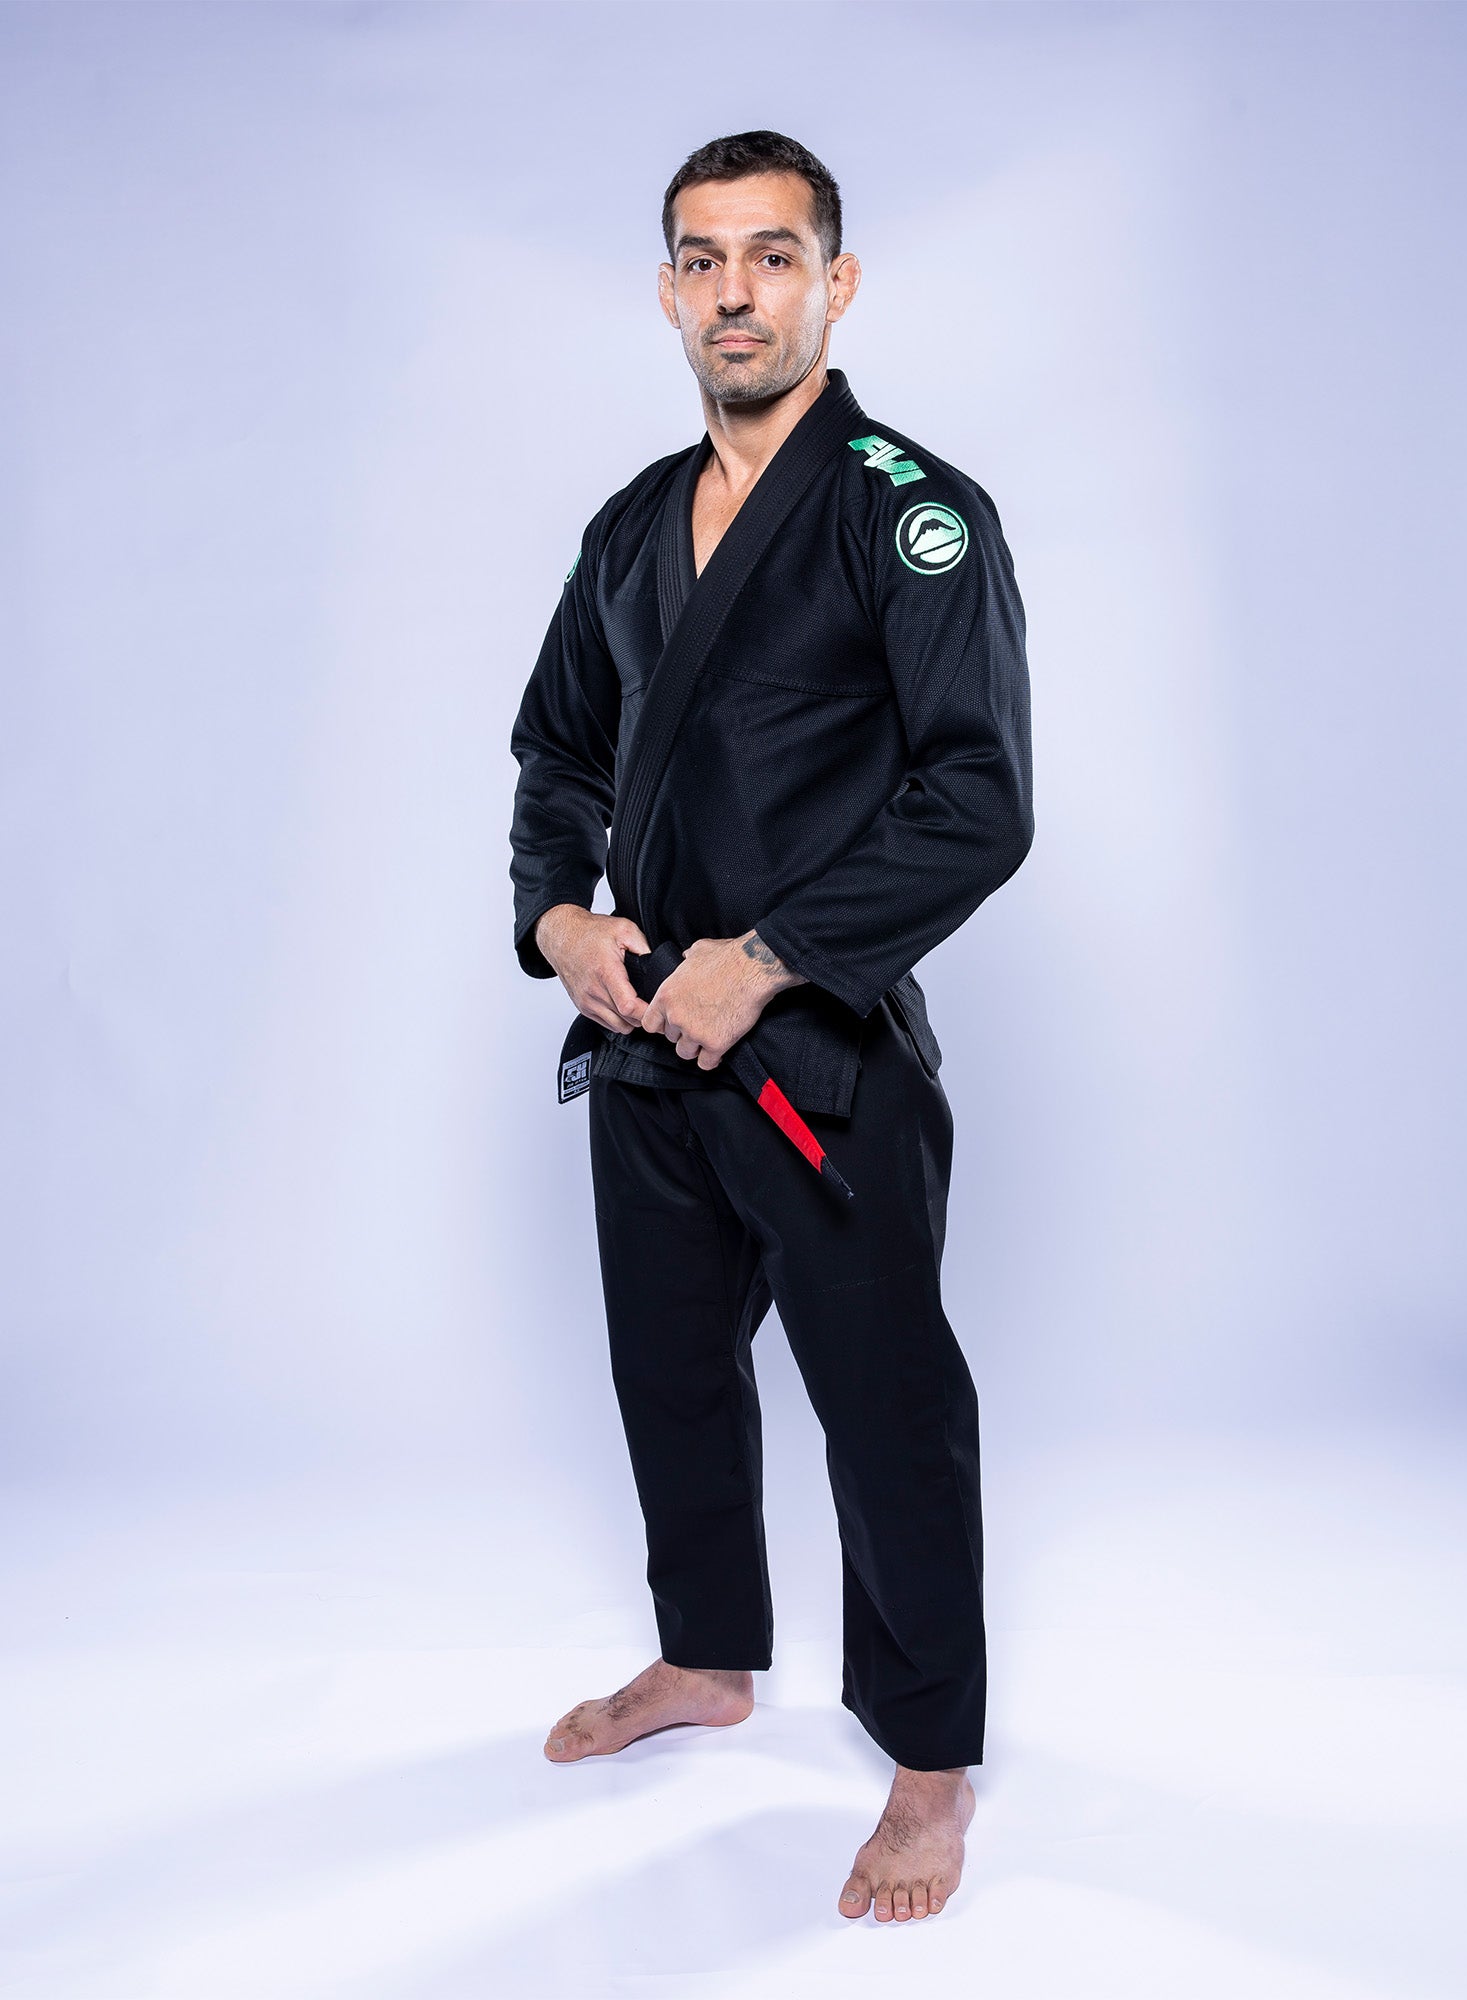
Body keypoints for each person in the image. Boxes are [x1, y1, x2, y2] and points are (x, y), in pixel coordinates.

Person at [508, 129, 1033, 1924]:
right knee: (669, 1371)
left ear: (837, 283)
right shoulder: (633, 521)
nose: (736, 289)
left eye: (773, 255)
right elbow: (557, 752)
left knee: (886, 1410)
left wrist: (780, 953)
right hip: (641, 1042)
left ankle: (933, 1764)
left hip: (816, 1058)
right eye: (701, 258)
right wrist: (558, 916)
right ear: (668, 288)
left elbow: (979, 800)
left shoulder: (911, 511)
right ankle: (710, 1657)